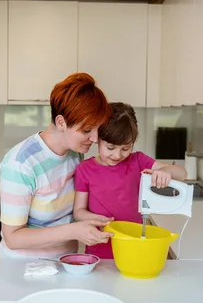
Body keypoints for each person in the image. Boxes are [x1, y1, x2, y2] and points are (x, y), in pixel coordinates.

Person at [0, 73, 114, 259]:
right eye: (86, 130)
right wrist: (73, 231)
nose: (94, 138)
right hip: (23, 267)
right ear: (61, 122)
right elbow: (13, 238)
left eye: (97, 129)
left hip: (66, 261)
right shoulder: (21, 163)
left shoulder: (74, 154)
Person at [73, 102, 188, 259]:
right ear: (98, 139)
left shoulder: (138, 161)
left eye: (126, 149)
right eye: (110, 148)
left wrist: (166, 171)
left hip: (135, 248)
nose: (117, 155)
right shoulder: (84, 169)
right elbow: (78, 211)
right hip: (99, 251)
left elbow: (182, 173)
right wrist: (96, 219)